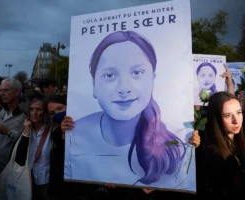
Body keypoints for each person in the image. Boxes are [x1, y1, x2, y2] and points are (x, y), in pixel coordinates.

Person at [63, 30, 199, 190]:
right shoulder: (76, 134)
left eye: (137, 72)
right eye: (109, 75)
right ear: (94, 85)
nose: (124, 88)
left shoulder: (177, 145)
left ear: (153, 79)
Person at [201, 91, 245, 200]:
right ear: (217, 119)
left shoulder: (239, 140)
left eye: (238, 112)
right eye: (227, 115)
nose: (236, 120)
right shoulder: (215, 156)